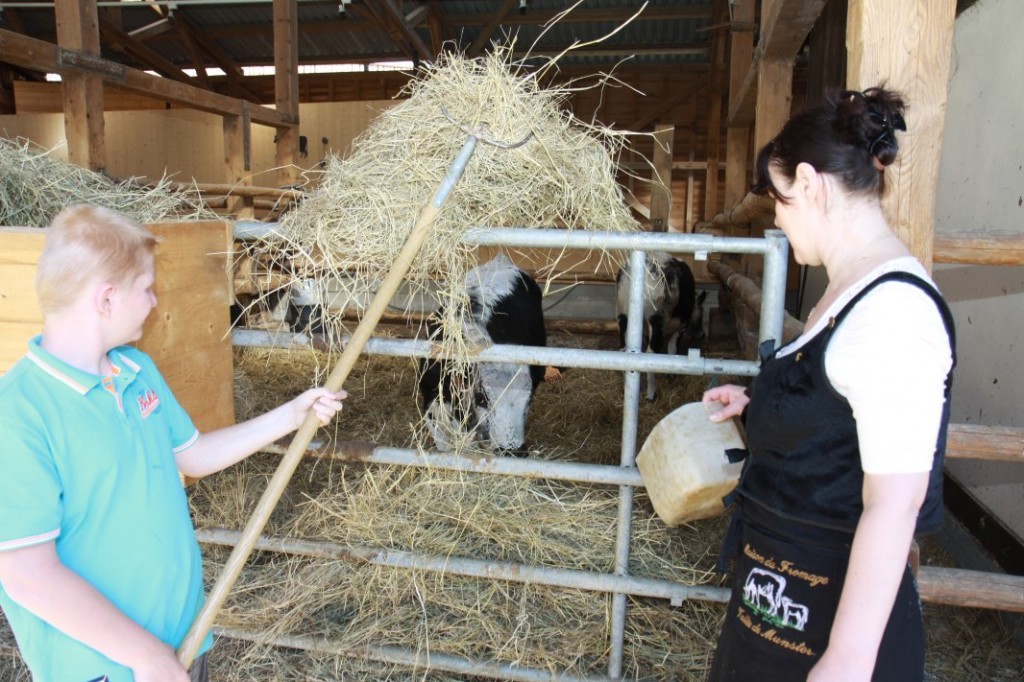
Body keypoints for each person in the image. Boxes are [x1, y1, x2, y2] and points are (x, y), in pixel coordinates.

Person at [0, 204, 347, 682]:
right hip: (105, 669)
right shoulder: (18, 413)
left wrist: (292, 415)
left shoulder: (135, 372)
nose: (154, 301)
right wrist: (145, 656)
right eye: (145, 288)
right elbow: (26, 574)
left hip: (182, 640)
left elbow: (195, 455)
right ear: (106, 300)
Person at [703, 87, 956, 682]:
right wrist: (760, 406)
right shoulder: (848, 293)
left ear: (811, 185)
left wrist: (845, 661)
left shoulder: (894, 312)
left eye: (780, 202)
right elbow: (838, 416)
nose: (781, 220)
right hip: (778, 601)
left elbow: (895, 503)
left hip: (829, 623)